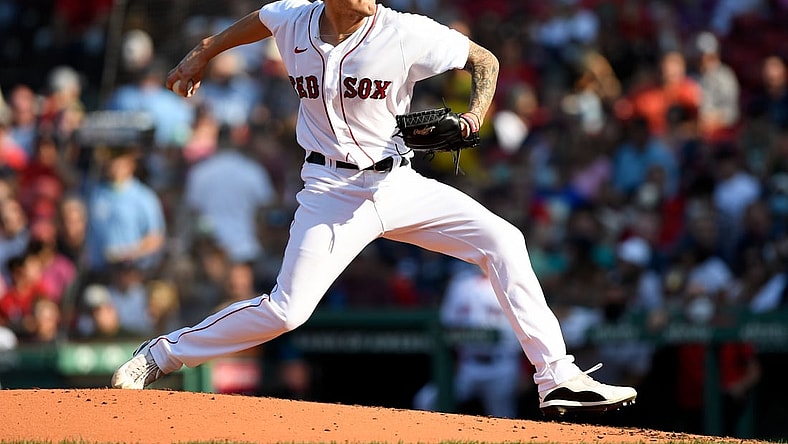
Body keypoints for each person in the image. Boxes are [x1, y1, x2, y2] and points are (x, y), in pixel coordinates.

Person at [111, 0, 637, 415]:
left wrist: (474, 117)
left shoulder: (404, 30)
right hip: (329, 192)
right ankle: (159, 356)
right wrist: (205, 50)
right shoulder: (294, 19)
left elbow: (485, 60)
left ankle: (557, 377)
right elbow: (262, 20)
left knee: (504, 240)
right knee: (287, 311)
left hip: (398, 184)